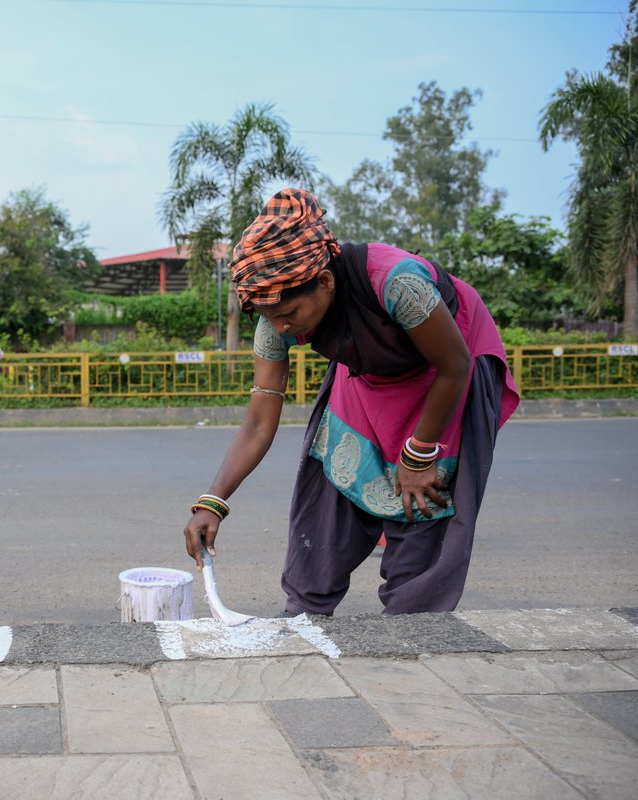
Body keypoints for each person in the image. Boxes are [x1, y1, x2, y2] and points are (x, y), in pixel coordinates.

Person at [183, 188, 519, 616]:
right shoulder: (276, 319)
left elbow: (455, 366)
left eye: (289, 314)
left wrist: (417, 458)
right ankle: (304, 613)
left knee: (425, 500)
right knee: (334, 479)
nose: (281, 326)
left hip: (447, 374)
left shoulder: (399, 284)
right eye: (270, 317)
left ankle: (413, 626)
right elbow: (258, 423)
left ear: (324, 281)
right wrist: (213, 502)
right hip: (368, 375)